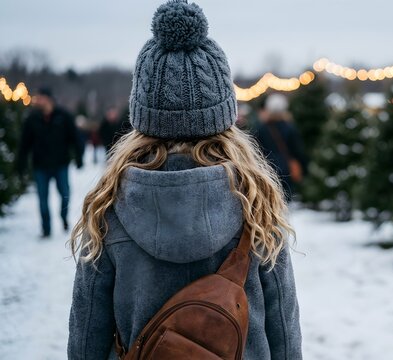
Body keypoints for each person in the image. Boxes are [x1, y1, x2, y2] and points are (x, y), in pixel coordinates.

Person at [67, 1, 302, 359]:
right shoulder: (255, 204)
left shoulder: (110, 206)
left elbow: (87, 334)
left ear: (142, 115)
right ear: (224, 115)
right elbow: (283, 329)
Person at [17, 87, 84, 238]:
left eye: (39, 98)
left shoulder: (64, 116)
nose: (36, 101)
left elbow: (75, 138)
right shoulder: (32, 118)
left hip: (61, 164)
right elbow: (24, 143)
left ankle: (63, 217)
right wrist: (20, 163)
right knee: (42, 198)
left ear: (47, 99)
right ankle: (46, 228)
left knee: (65, 193)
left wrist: (79, 158)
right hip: (40, 166)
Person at [254, 93, 307, 202]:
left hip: (268, 169)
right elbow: (297, 150)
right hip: (286, 169)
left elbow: (256, 151)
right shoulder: (290, 128)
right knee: (285, 202)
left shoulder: (261, 128)